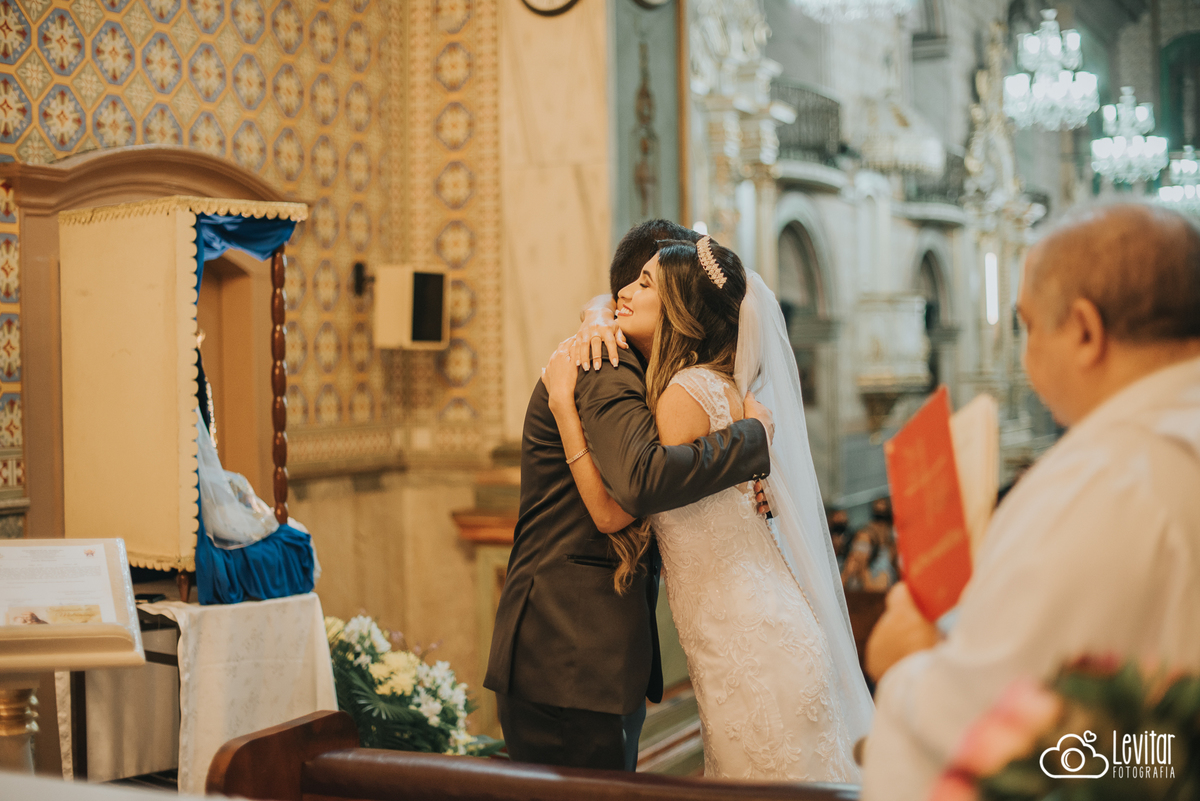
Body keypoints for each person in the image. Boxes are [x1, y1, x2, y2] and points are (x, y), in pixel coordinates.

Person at [861, 203, 1200, 800]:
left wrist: (911, 664)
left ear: (1085, 332)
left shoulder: (1107, 483)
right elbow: (1153, 749)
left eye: (1028, 327)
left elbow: (1027, 744)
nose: (1026, 354)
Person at [542, 236, 874, 781]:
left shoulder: (682, 394)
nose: (624, 292)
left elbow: (614, 512)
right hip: (770, 628)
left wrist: (563, 407)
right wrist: (596, 311)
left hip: (744, 642)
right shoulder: (726, 389)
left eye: (646, 283)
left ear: (680, 311)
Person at [484, 221, 774, 772]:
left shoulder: (655, 372)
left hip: (589, 654)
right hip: (568, 649)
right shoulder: (604, 361)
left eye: (648, 284)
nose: (625, 295)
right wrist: (750, 441)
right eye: (636, 281)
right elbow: (637, 485)